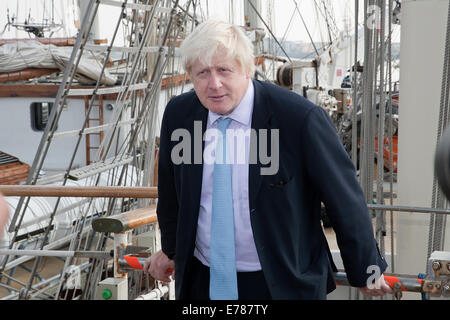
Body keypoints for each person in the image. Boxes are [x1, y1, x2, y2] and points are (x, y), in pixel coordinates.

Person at [144, 20, 392, 300]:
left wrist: (367, 269)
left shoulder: (298, 119)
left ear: (247, 69)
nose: (214, 84)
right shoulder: (180, 115)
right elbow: (171, 193)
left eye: (224, 70)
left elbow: (344, 199)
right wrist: (172, 250)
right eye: (202, 73)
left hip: (280, 283)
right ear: (190, 75)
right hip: (202, 279)